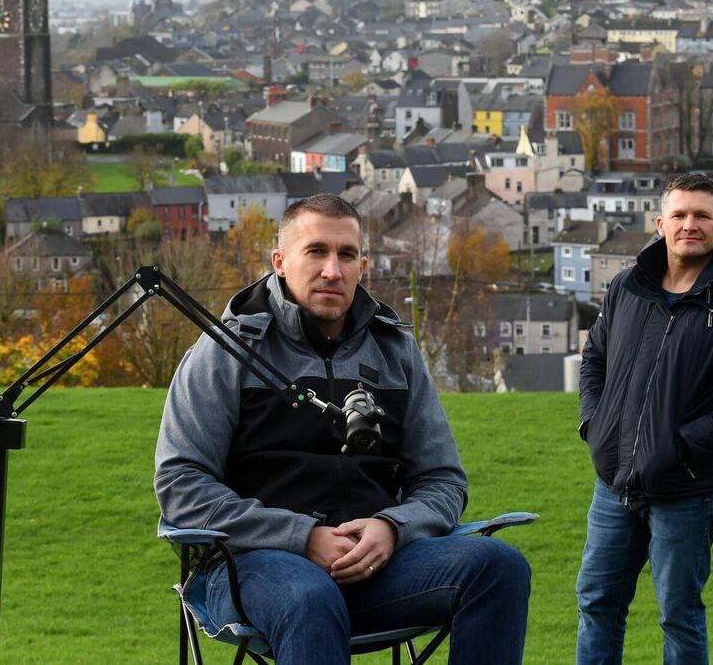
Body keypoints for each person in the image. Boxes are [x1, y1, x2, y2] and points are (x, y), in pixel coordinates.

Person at [155, 194, 531, 664]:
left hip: (376, 566)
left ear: (362, 266)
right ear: (280, 262)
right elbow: (180, 485)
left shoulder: (396, 351)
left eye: (346, 255)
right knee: (310, 597)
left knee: (500, 567)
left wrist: (392, 528)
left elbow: (442, 480)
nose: (332, 270)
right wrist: (300, 537)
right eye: (316, 251)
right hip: (253, 566)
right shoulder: (225, 350)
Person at [576, 173, 713, 664]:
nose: (691, 225)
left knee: (678, 616)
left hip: (686, 490)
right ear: (660, 223)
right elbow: (594, 359)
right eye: (681, 215)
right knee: (597, 604)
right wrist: (594, 425)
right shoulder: (627, 287)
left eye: (703, 216)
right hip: (614, 484)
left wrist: (681, 444)